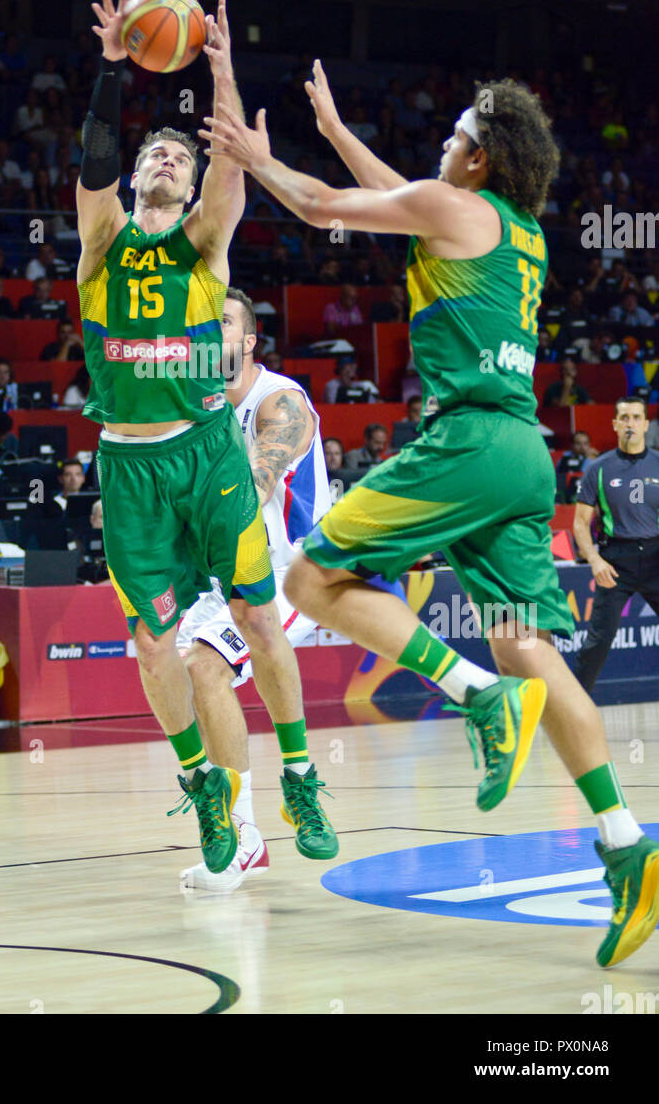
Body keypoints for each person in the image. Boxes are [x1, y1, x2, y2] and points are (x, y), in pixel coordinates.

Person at [201, 64, 659, 967]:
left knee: (309, 576)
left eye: (452, 136)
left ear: (479, 156)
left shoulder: (455, 208)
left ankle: (477, 699)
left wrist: (261, 160)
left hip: (469, 444)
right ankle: (625, 844)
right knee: (530, 645)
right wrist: (334, 129)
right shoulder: (512, 229)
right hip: (527, 454)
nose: (441, 147)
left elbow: (326, 206)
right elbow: (402, 198)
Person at [77, 0, 335, 875]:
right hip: (131, 467)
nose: (163, 161)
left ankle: (299, 774)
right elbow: (95, 160)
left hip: (207, 452)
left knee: (260, 617)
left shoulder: (204, 246)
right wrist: (114, 73)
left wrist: (223, 70)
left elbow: (229, 163)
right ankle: (205, 793)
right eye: (154, 154)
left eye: (175, 160)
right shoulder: (103, 242)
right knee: (154, 644)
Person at [177, 289, 402, 891]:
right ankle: (244, 833)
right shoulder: (191, 407)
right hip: (220, 575)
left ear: (248, 341)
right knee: (195, 675)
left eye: (221, 322)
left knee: (204, 666)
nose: (208, 330)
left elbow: (257, 479)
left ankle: (295, 786)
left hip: (292, 574)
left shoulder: (280, 401)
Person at [572, 399, 659, 694]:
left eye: (636, 417)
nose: (630, 423)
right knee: (598, 641)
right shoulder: (598, 468)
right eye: (624, 417)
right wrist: (595, 560)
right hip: (615, 561)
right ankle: (577, 706)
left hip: (655, 557)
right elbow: (580, 524)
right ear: (615, 424)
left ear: (646, 424)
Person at [557, 429, 596, 504]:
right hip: (566, 494)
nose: (582, 447)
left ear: (589, 445)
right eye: (578, 444)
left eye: (585, 443)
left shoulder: (593, 460)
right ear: (572, 445)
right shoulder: (564, 459)